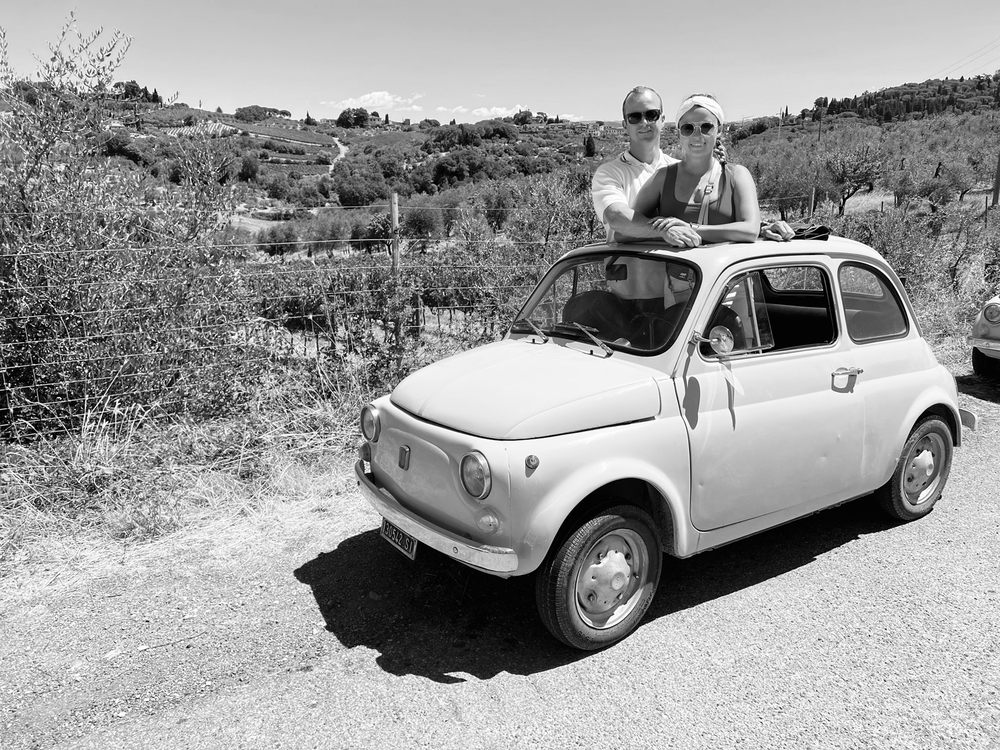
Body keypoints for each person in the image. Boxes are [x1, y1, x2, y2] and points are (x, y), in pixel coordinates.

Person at [591, 86, 793, 244]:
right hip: (639, 286)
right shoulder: (612, 173)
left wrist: (759, 227)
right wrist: (667, 230)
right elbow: (618, 220)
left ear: (663, 119)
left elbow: (739, 225)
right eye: (635, 116)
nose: (644, 122)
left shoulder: (679, 169)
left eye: (651, 115)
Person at [629, 93, 759, 247]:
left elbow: (750, 230)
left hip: (725, 271)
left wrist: (690, 229)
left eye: (706, 127)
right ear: (679, 133)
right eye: (688, 128)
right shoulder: (663, 178)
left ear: (719, 130)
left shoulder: (736, 176)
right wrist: (663, 232)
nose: (697, 136)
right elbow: (625, 231)